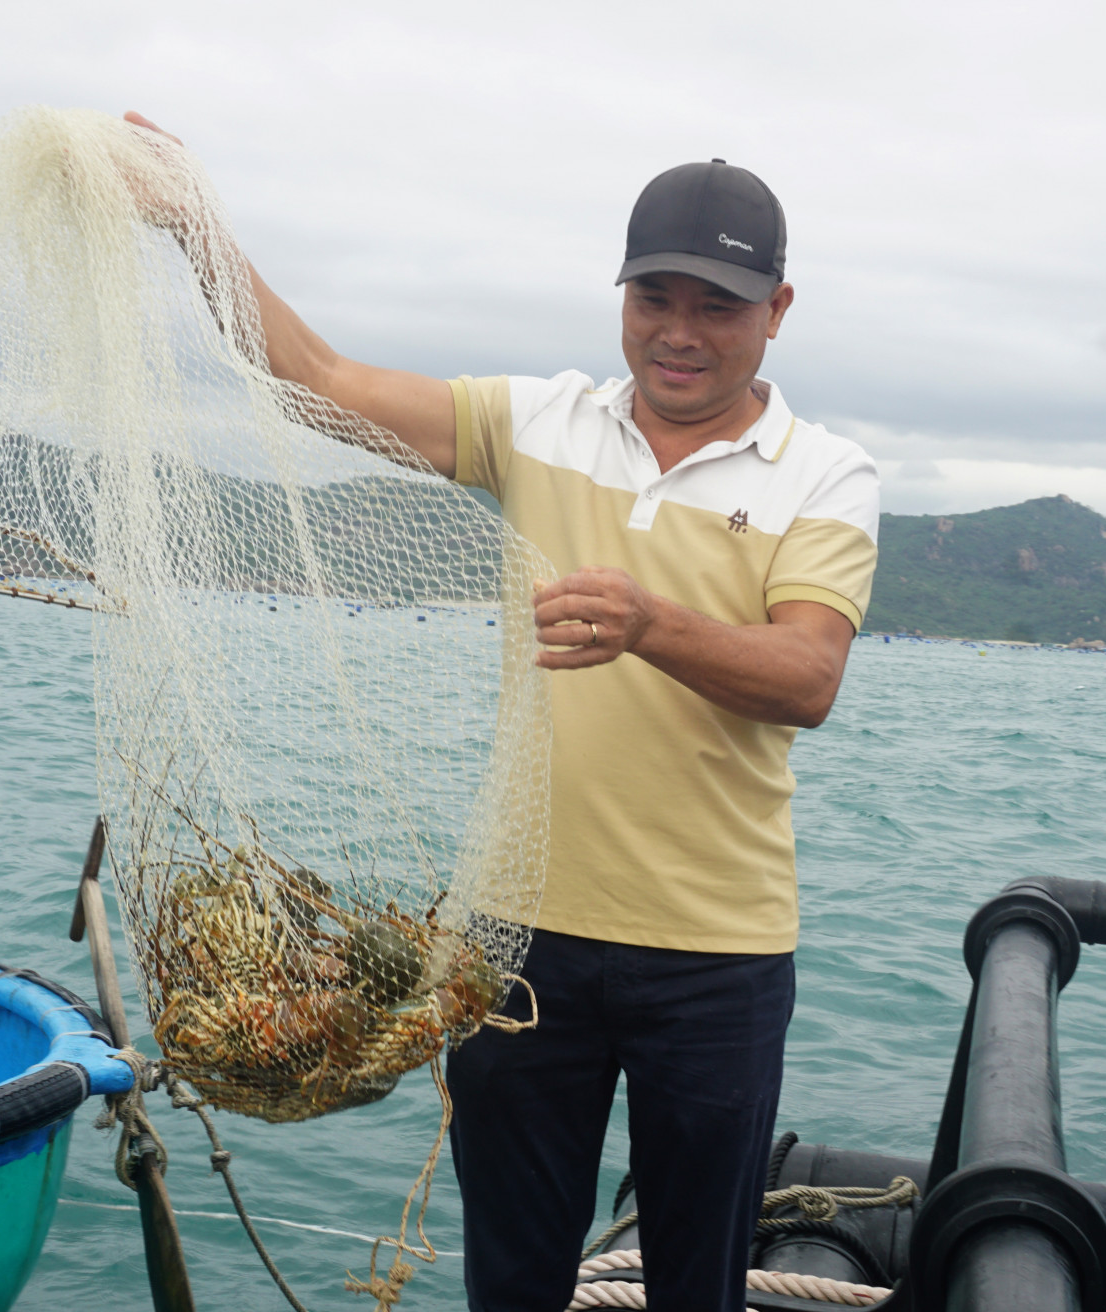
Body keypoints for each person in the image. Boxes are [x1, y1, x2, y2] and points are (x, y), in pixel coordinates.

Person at [125, 112, 880, 1311]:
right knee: (513, 1279)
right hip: (514, 945)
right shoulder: (538, 424)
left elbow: (808, 678)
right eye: (656, 296)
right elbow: (314, 382)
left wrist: (650, 624)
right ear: (620, 292)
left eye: (719, 305)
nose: (680, 332)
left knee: (699, 1287)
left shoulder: (825, 474)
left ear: (778, 308)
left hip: (718, 956)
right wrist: (190, 224)